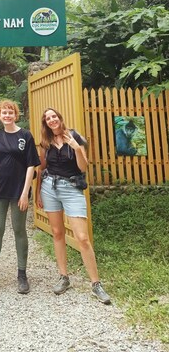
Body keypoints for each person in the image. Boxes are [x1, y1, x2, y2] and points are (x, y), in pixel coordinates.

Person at [36, 107, 111, 304]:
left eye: (54, 116)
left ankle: (96, 284)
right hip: (50, 188)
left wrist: (76, 148)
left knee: (82, 238)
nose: (52, 120)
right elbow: (40, 169)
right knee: (57, 233)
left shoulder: (75, 136)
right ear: (46, 123)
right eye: (48, 118)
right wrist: (37, 194)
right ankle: (64, 277)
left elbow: (83, 166)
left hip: (71, 189)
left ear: (60, 118)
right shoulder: (45, 143)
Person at [0, 99, 40, 296]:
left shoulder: (25, 136)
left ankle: (22, 274)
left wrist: (24, 193)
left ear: (15, 115)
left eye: (10, 112)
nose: (7, 115)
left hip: (19, 190)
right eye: (4, 112)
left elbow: (31, 165)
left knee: (19, 230)